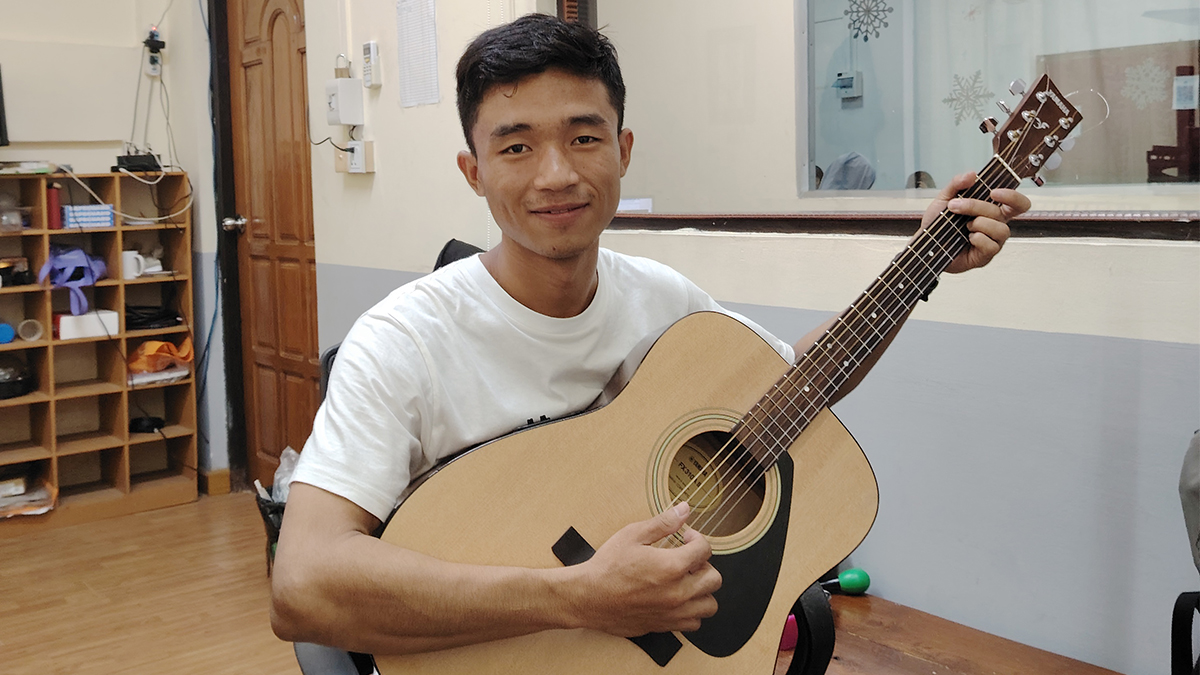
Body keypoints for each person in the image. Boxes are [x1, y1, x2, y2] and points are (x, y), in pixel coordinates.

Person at [270, 13, 1030, 657]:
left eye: (584, 137)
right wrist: (576, 595)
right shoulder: (402, 340)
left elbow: (796, 382)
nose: (557, 173)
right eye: (516, 146)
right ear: (473, 170)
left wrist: (921, 265)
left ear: (623, 152)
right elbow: (302, 586)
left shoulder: (668, 303)